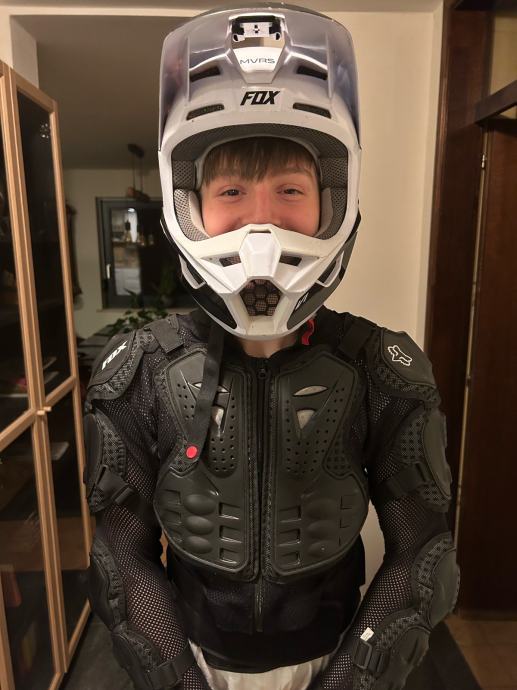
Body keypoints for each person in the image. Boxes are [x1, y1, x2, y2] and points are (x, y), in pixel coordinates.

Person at [83, 6, 460, 690]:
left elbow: (424, 554)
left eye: (289, 189)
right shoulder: (140, 370)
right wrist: (178, 680)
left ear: (332, 200)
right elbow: (120, 557)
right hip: (192, 658)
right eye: (231, 190)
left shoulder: (380, 368)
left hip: (333, 655)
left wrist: (352, 677)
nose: (261, 221)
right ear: (189, 205)